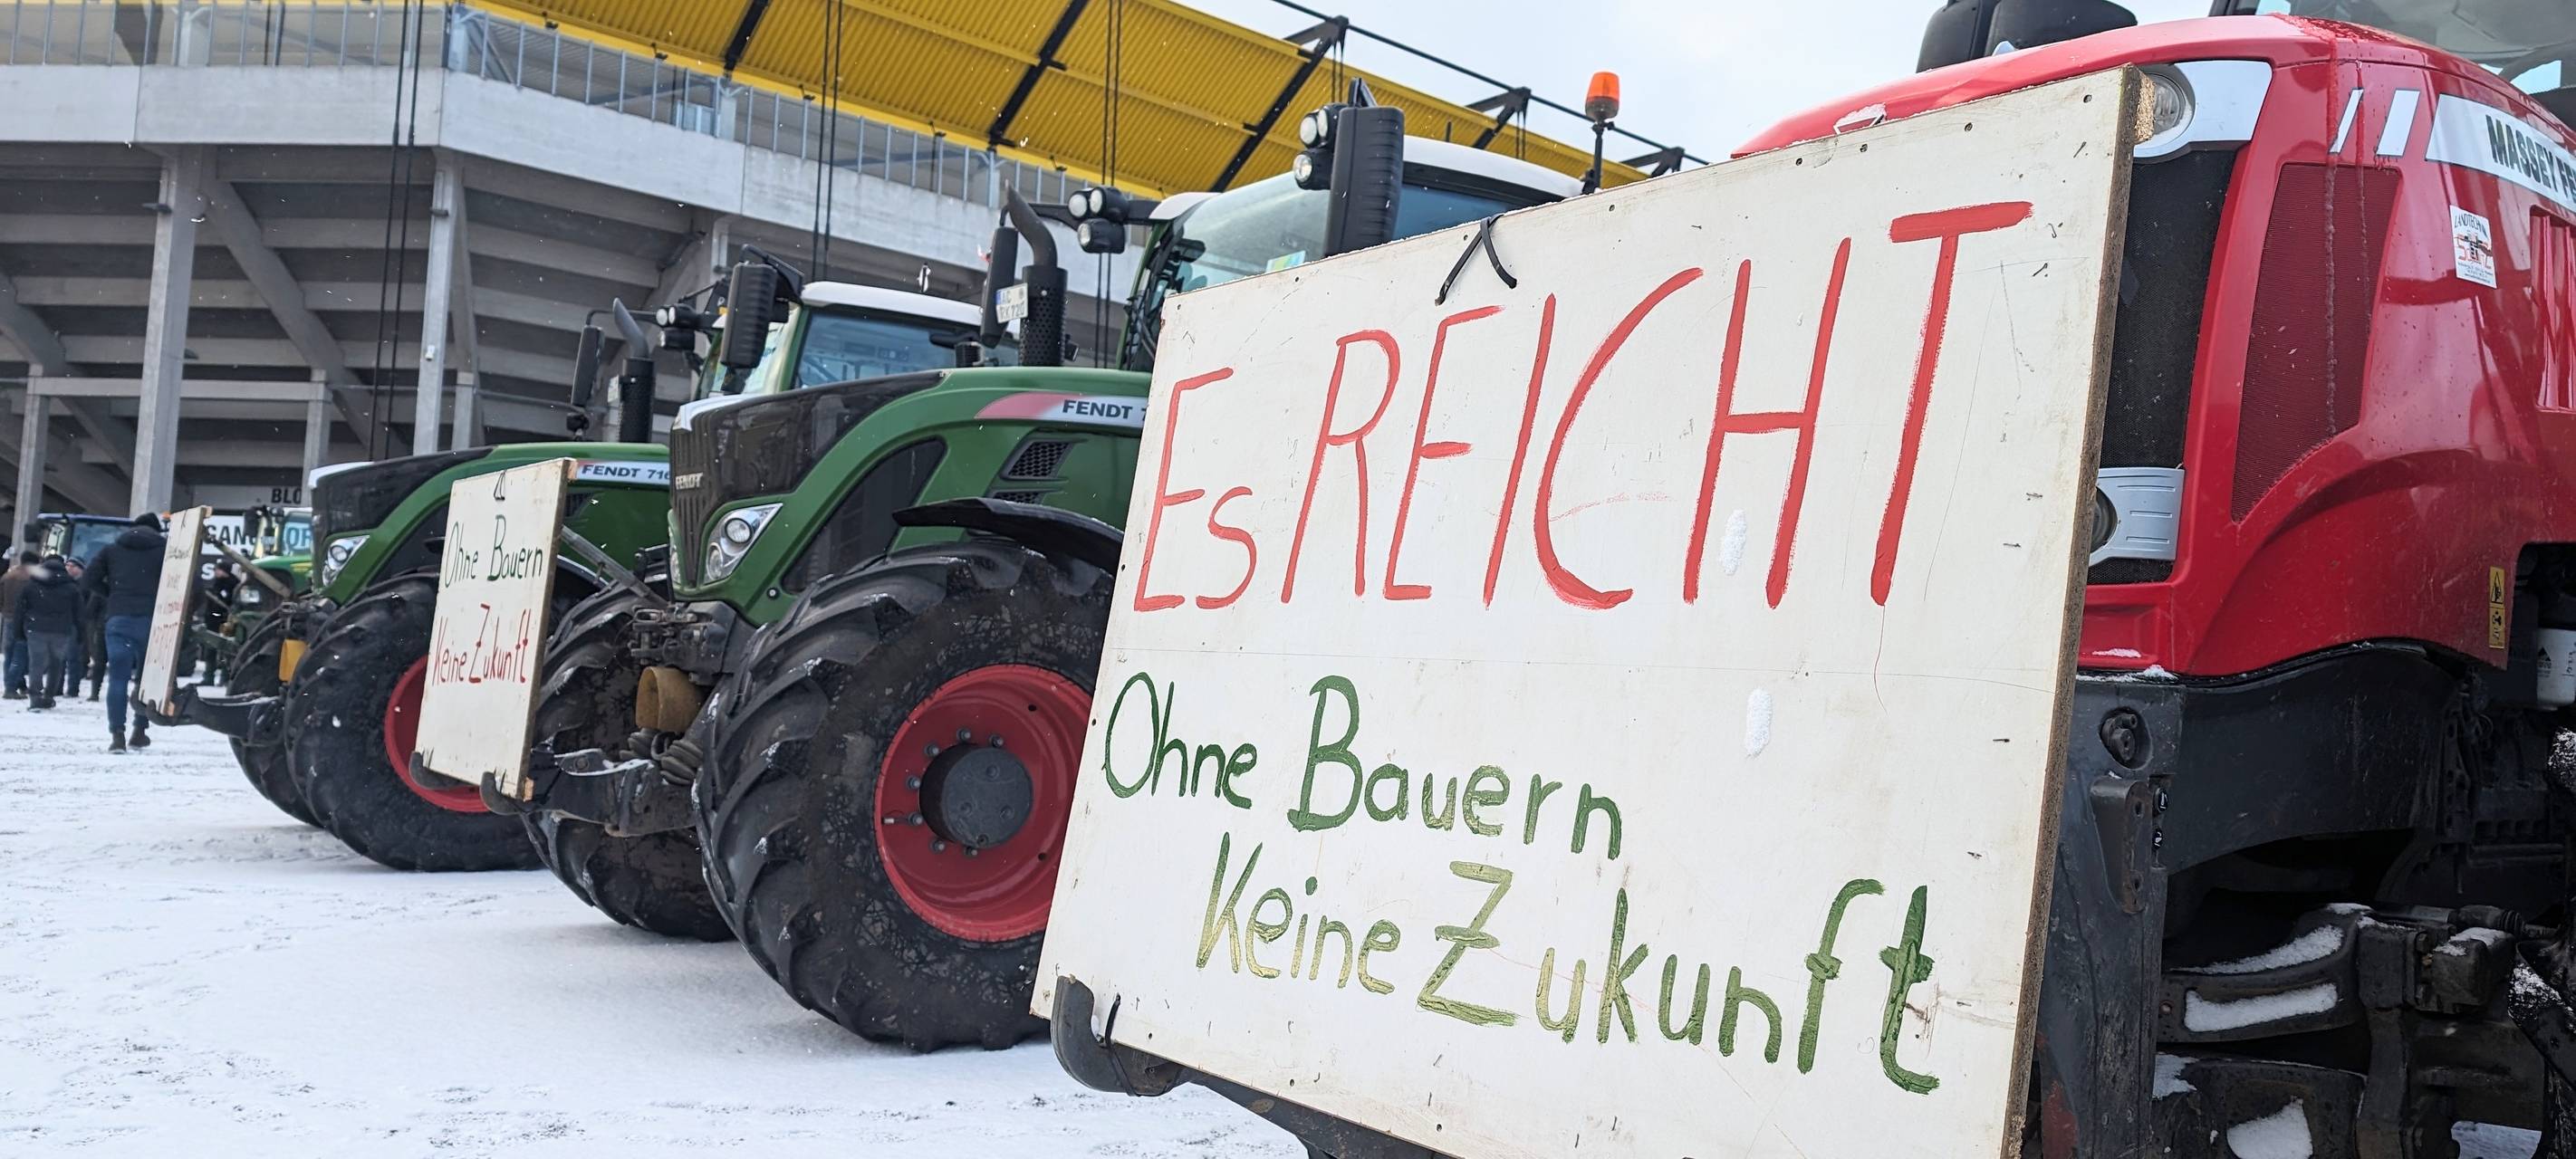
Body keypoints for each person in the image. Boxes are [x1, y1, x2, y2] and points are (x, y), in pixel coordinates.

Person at [83, 513, 166, 752]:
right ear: (156, 530)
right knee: (146, 681)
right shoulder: (166, 552)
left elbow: (88, 580)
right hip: (153, 622)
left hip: (119, 620)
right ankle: (139, 730)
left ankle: (117, 735)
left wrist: (112, 594)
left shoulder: (112, 550)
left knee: (117, 679)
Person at [9, 554, 83, 711]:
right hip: (61, 630)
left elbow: (20, 610)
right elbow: (79, 613)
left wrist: (18, 631)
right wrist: (81, 634)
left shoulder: (31, 586)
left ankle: (35, 697)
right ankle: (49, 696)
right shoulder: (71, 588)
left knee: (36, 664)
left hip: (35, 629)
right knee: (56, 664)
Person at [0, 550, 34, 699]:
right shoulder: (31, 579)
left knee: (9, 653)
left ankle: (14, 684)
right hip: (24, 619)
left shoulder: (7, 576)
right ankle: (11, 687)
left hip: (8, 617)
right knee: (20, 654)